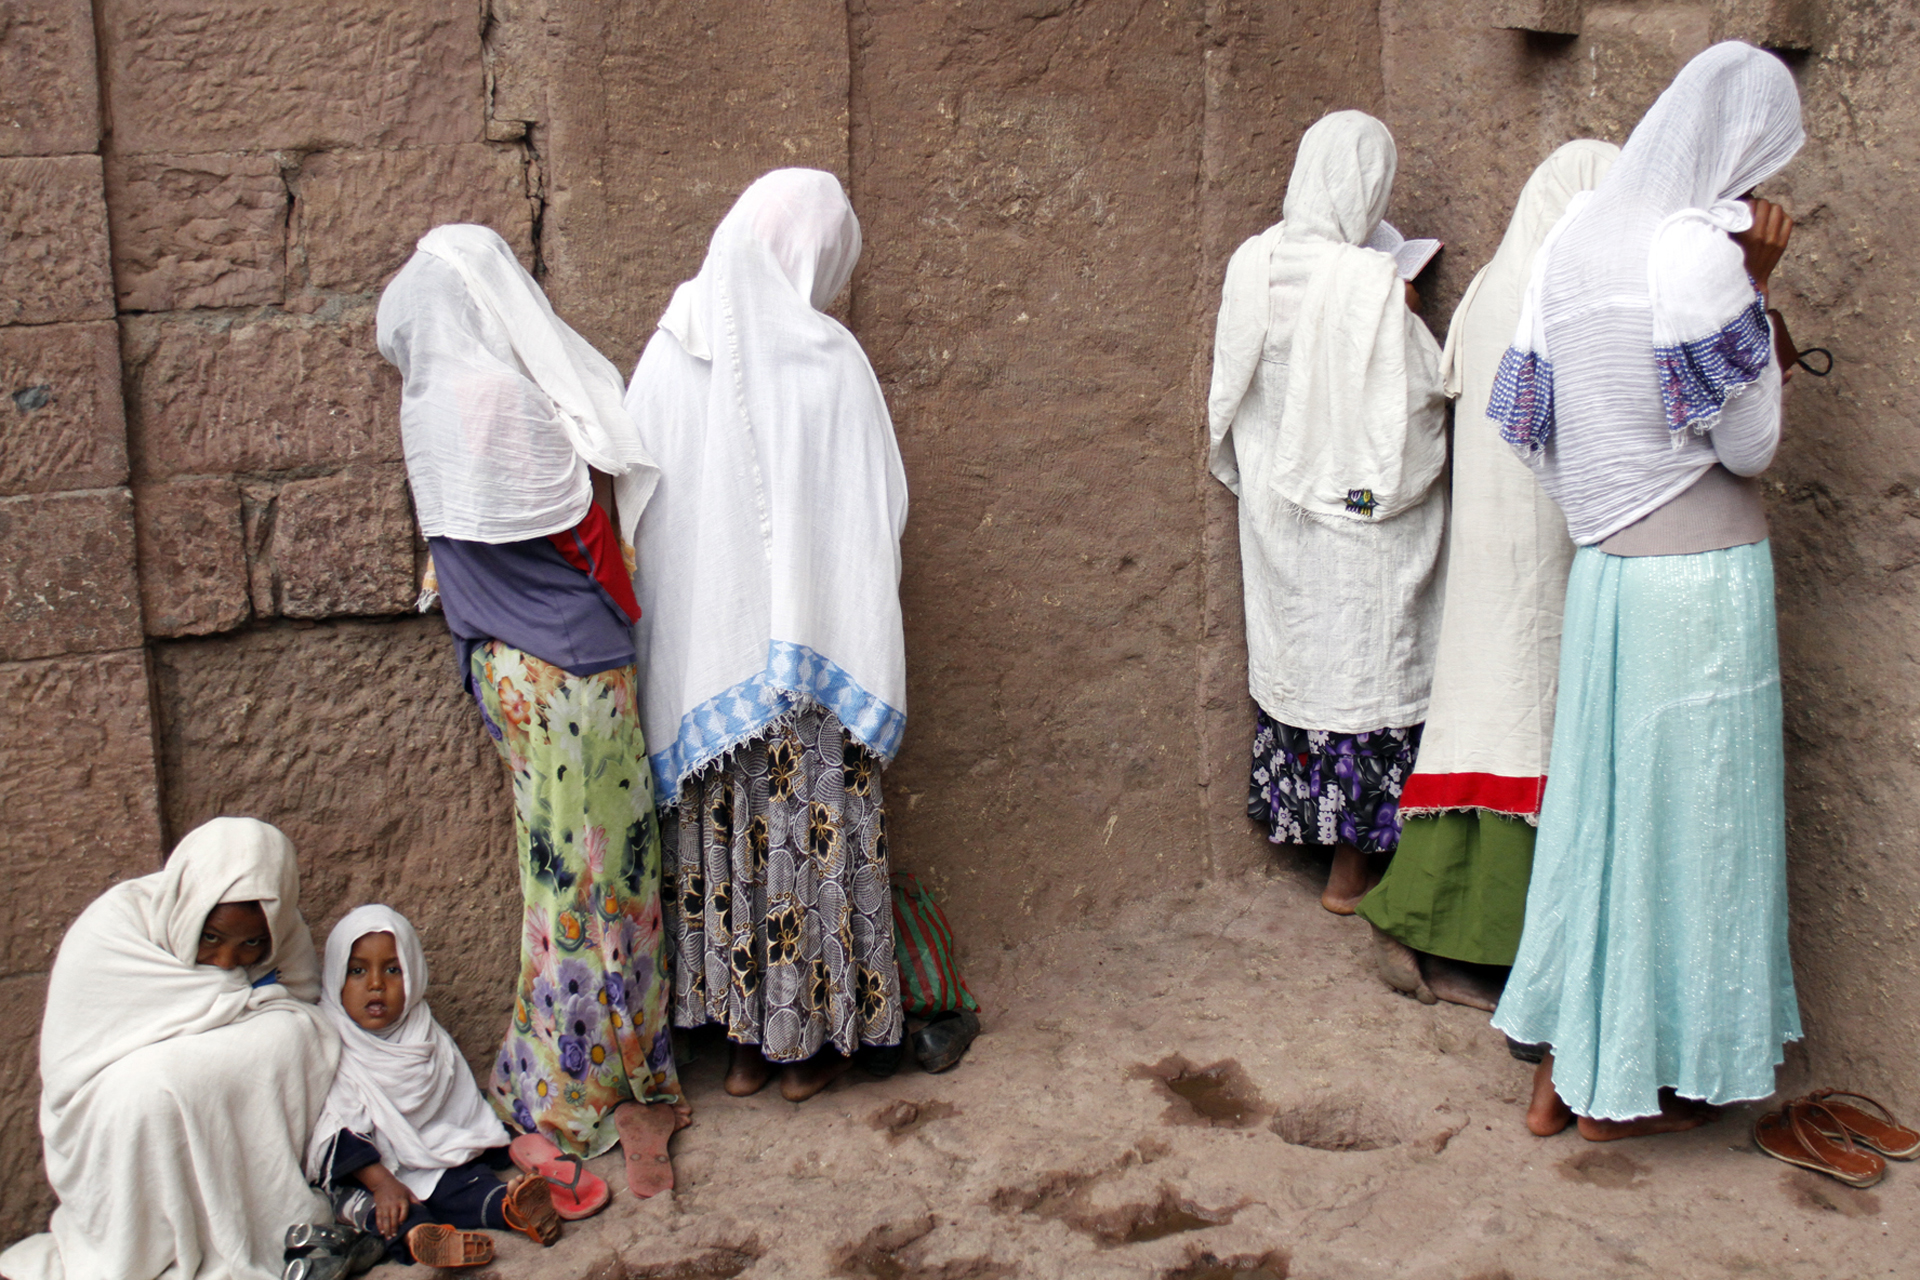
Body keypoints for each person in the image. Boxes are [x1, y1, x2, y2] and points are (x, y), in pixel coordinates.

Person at [1487, 42, 1804, 1139]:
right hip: (1700, 590)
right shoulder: (1693, 255)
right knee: (1692, 829)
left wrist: (1617, 504)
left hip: (1608, 581)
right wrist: (1756, 290)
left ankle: (1558, 1077)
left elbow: (1540, 439)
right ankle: (1636, 1083)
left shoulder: (1571, 245)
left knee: (1601, 820)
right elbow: (1752, 445)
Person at [377, 224, 687, 1197]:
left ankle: (544, 1074)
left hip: (504, 672)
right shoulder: (506, 401)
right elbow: (583, 533)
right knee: (612, 887)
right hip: (577, 676)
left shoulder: (424, 406)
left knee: (556, 882)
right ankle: (599, 1090)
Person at [623, 168, 908, 1102]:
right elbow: (881, 509)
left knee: (733, 843)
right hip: (815, 670)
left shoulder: (668, 354)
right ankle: (812, 1047)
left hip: (713, 681)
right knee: (808, 843)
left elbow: (643, 514)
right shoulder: (828, 361)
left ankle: (742, 1047)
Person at [1357, 140, 1621, 1010]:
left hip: (1497, 541)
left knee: (1493, 714)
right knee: (1519, 721)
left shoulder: (1492, 288)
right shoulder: (1552, 292)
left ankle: (1441, 932)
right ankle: (1446, 934)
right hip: (1533, 540)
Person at [1207, 110, 1449, 914]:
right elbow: (1412, 417)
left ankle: (1309, 832)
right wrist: (1408, 310)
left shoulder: (1252, 263)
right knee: (1368, 673)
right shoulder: (1372, 285)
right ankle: (1356, 871)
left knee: (1308, 667)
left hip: (1280, 504)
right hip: (1353, 505)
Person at [0, 818, 338, 1280]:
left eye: (252, 944)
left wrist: (229, 1015)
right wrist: (233, 1002)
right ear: (188, 907)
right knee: (151, 1091)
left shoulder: (287, 933)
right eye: (211, 937)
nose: (225, 962)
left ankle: (247, 1222)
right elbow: (73, 1062)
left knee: (295, 1034)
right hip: (101, 1101)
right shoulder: (113, 926)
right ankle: (149, 1243)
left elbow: (299, 1003)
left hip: (208, 1070)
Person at [307, 906, 563, 1269]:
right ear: (335, 977)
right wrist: (382, 1184)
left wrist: (486, 1141)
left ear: (413, 974)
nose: (376, 983)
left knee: (466, 1185)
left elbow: (456, 1104)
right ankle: (422, 1238)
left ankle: (511, 1209)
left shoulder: (424, 1035)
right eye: (358, 970)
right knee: (380, 1211)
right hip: (370, 1175)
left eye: (393, 970)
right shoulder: (332, 1044)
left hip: (431, 1157)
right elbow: (337, 1129)